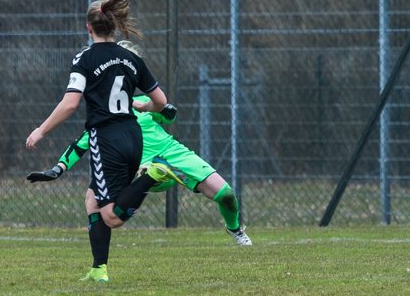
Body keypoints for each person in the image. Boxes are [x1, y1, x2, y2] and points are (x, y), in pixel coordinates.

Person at [25, 0, 180, 282]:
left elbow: (70, 103)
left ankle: (154, 174)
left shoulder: (84, 58)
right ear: (114, 25)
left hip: (106, 138)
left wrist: (41, 130)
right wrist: (143, 105)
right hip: (133, 134)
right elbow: (160, 101)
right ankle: (99, 269)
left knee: (111, 216)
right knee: (92, 198)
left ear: (88, 27)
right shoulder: (131, 58)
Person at [28, 82, 251, 246]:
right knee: (99, 196)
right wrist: (57, 169)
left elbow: (169, 116)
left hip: (173, 153)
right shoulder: (104, 119)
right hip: (141, 167)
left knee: (226, 194)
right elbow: (78, 146)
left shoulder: (141, 104)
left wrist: (157, 107)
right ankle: (101, 260)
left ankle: (235, 230)